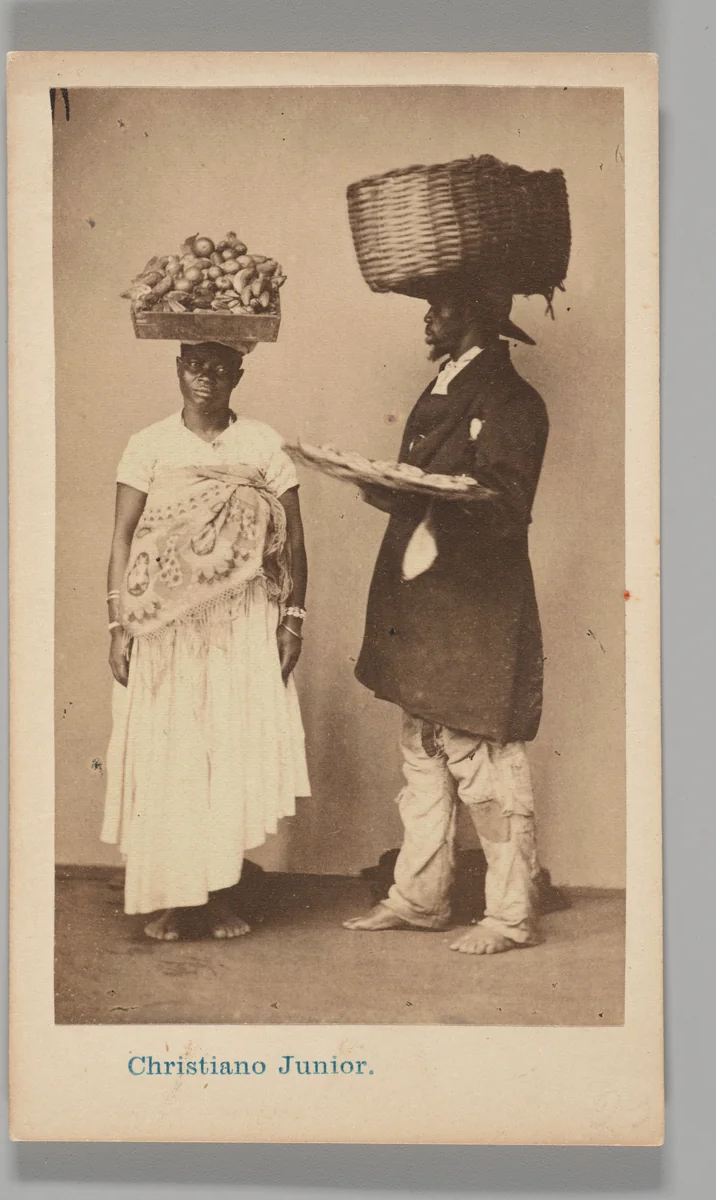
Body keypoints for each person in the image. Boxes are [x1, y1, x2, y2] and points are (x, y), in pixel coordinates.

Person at [344, 274, 550, 954]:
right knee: (424, 751)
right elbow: (423, 488)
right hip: (424, 598)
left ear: (479, 313)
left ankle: (509, 916)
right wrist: (390, 489)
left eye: (441, 305)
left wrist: (429, 490)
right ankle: (421, 898)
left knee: (482, 757)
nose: (428, 317)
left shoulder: (513, 400)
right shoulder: (442, 386)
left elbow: (504, 506)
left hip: (475, 602)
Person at [101, 340, 310, 942]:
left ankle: (218, 894)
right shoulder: (150, 444)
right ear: (177, 367)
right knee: (172, 749)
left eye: (220, 366)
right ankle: (173, 897)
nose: (206, 376)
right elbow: (122, 537)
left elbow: (293, 541)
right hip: (166, 622)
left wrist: (292, 617)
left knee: (228, 749)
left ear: (239, 373)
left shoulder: (263, 443)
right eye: (195, 364)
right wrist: (118, 624)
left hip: (242, 619)